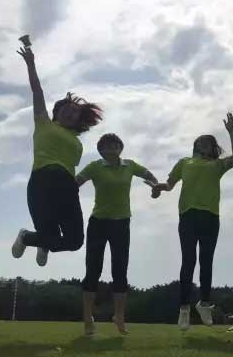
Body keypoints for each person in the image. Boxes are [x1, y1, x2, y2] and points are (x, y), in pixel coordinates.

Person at [12, 46, 102, 267]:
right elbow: (37, 91)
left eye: (76, 113)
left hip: (66, 187)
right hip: (42, 182)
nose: (71, 113)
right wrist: (30, 64)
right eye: (67, 109)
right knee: (49, 234)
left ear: (79, 120)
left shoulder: (77, 142)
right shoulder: (44, 123)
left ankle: (31, 239)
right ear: (57, 111)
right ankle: (38, 240)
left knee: (75, 241)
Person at [151, 113, 233, 331]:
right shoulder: (184, 162)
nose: (203, 144)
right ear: (195, 146)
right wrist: (158, 188)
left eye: (208, 142)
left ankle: (204, 303)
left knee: (206, 261)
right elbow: (169, 185)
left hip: (210, 216)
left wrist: (231, 131)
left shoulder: (218, 165)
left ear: (213, 148)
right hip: (188, 215)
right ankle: (184, 309)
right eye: (200, 141)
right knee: (188, 261)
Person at [76, 133, 158, 336]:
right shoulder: (95, 166)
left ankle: (119, 316)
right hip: (98, 223)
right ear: (100, 150)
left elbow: (148, 175)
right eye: (106, 145)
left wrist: (155, 185)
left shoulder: (129, 165)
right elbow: (76, 182)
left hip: (121, 224)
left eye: (115, 145)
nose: (111, 148)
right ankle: (88, 318)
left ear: (121, 148)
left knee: (120, 270)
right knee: (93, 269)